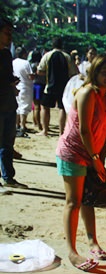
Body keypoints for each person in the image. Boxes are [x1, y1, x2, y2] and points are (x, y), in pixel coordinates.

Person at [55, 53, 106, 271]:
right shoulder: (86, 93)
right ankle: (72, 252)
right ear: (95, 72)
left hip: (91, 154)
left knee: (88, 199)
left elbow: (102, 132)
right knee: (73, 201)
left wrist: (99, 160)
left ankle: (93, 242)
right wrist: (95, 160)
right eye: (105, 72)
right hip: (73, 152)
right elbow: (84, 129)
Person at [0, 17, 28, 193]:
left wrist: (12, 83)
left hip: (8, 104)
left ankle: (8, 177)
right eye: (6, 32)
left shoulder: (6, 54)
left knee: (7, 143)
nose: (10, 36)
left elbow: (7, 76)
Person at [37, 37, 78, 136]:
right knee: (62, 108)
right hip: (64, 87)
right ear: (62, 45)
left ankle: (45, 130)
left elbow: (39, 71)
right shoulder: (67, 56)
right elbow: (74, 73)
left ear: (52, 45)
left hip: (50, 86)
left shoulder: (47, 55)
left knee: (45, 107)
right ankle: (61, 132)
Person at [13, 46, 34, 136]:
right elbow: (30, 76)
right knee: (24, 107)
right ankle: (22, 126)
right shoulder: (26, 63)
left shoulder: (13, 62)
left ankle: (16, 125)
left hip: (16, 87)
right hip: (26, 87)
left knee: (17, 107)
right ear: (24, 54)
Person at [30, 49, 46, 131]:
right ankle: (39, 124)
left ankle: (35, 122)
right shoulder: (41, 65)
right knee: (40, 107)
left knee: (35, 106)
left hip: (35, 85)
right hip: (41, 85)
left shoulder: (32, 65)